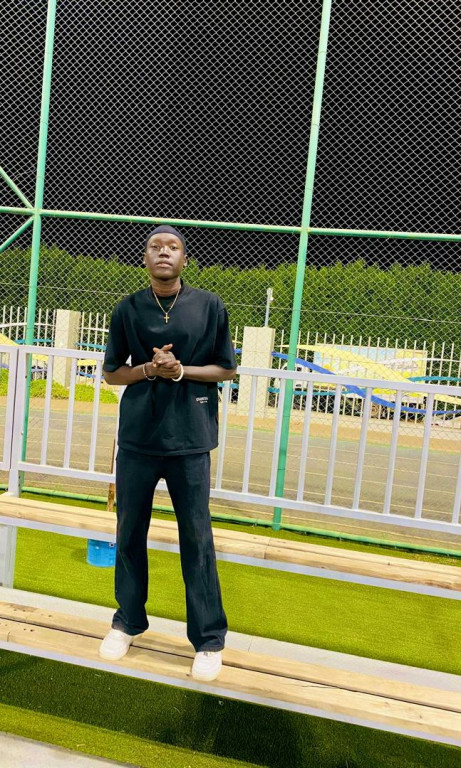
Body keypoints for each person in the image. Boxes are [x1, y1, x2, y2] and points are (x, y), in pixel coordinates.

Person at [98, 225, 237, 682]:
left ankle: (208, 640)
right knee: (129, 533)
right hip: (138, 439)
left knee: (197, 539)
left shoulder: (209, 306)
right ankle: (127, 622)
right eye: (155, 246)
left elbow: (226, 369)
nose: (164, 252)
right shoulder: (128, 308)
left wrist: (178, 370)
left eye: (172, 247)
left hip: (190, 440)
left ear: (184, 259)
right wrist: (148, 369)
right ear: (145, 258)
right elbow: (112, 373)